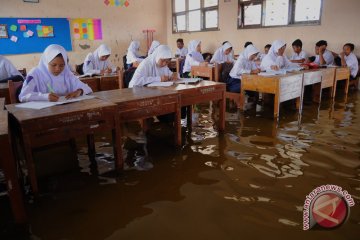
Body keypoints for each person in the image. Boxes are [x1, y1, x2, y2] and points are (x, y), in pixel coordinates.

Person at [19, 44, 92, 102]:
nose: (58, 69)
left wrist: (79, 91)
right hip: (42, 114)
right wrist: (45, 97)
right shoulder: (35, 74)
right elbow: (23, 96)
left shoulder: (67, 73)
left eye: (62, 65)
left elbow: (88, 88)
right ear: (46, 62)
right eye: (53, 65)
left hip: (65, 110)